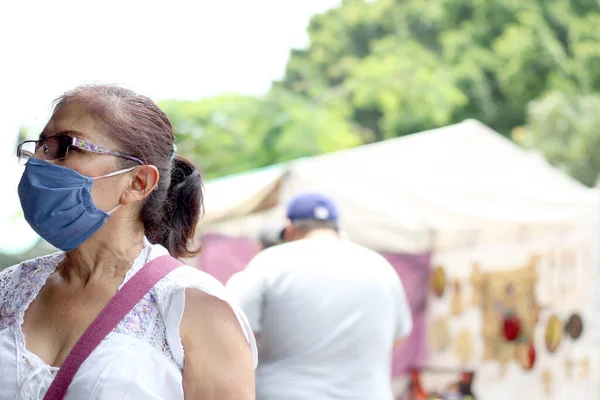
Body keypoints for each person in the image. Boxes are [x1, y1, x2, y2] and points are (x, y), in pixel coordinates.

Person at [0, 84, 256, 399]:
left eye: (66, 145)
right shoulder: (10, 289)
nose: (38, 162)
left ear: (137, 182)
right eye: (41, 145)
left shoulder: (195, 306)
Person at [226, 192, 413, 400]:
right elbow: (399, 337)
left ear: (289, 229)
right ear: (337, 228)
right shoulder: (381, 267)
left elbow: (232, 332)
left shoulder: (269, 263)